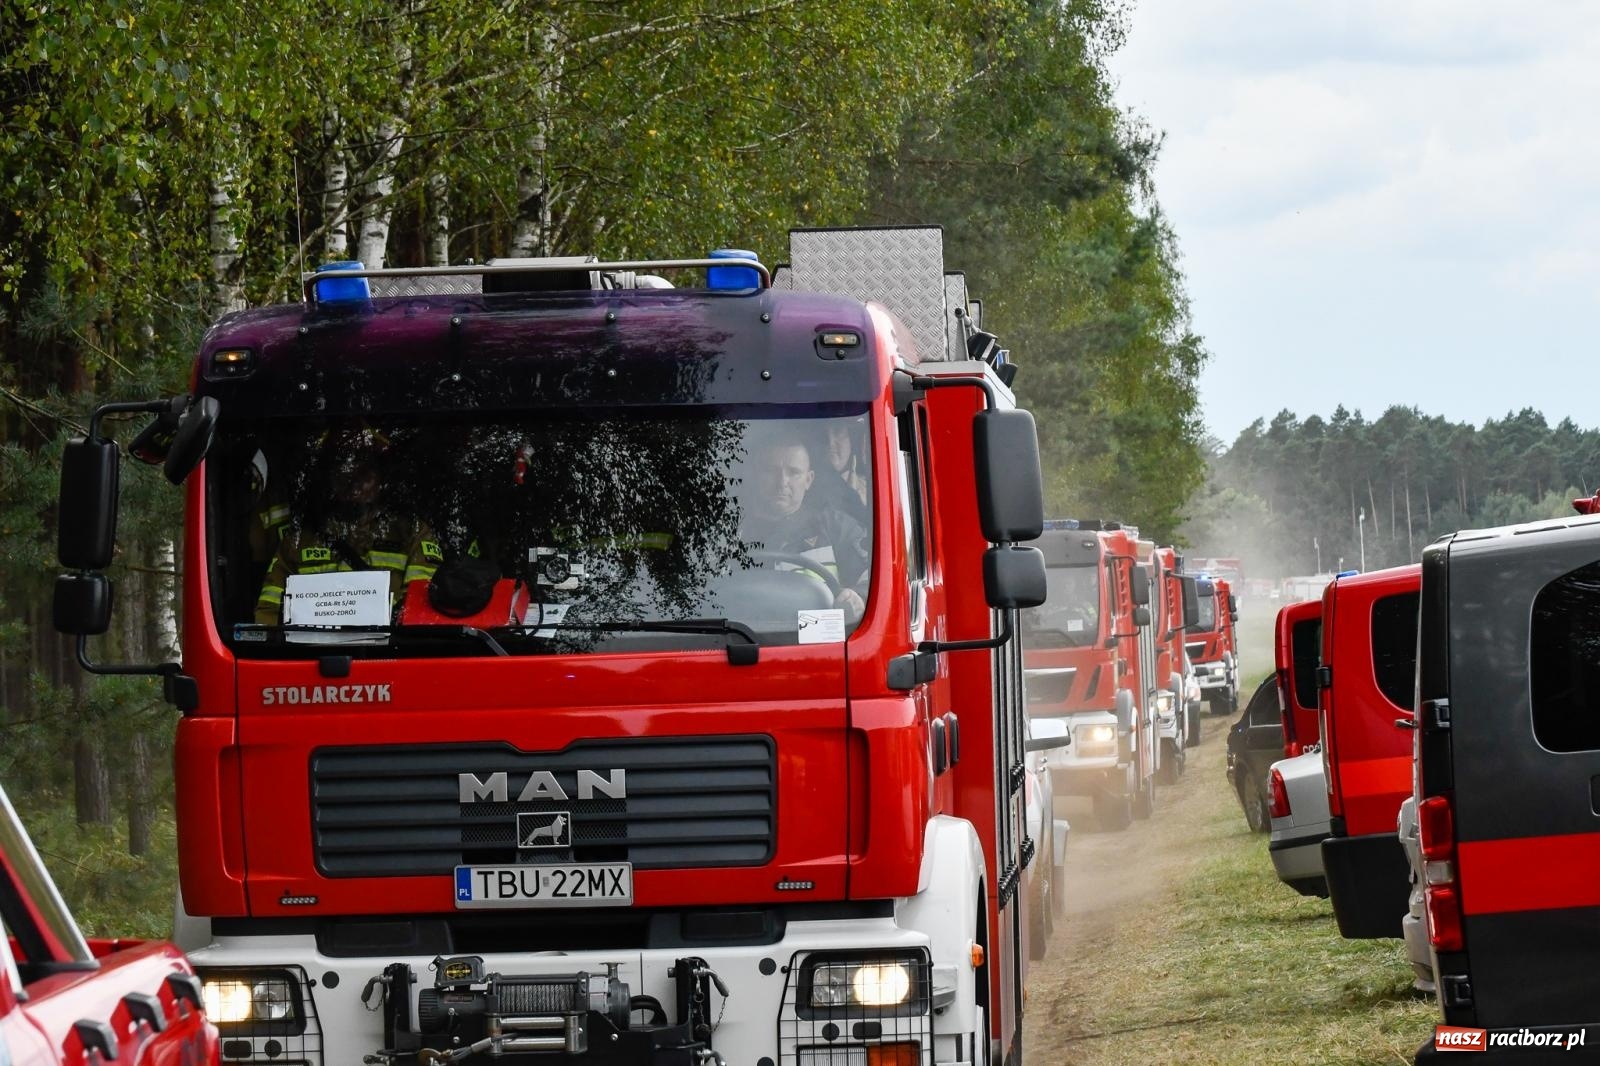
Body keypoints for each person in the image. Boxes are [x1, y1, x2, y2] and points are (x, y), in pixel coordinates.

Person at [254, 428, 442, 625]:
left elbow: (420, 614)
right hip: (311, 653)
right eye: (343, 470)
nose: (354, 483)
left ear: (381, 476)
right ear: (330, 478)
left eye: (364, 472)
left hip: (387, 653)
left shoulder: (412, 532)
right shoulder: (299, 539)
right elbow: (268, 614)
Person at [740, 432, 870, 615]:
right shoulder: (732, 532)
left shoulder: (835, 526)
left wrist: (858, 597)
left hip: (821, 640)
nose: (782, 482)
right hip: (743, 637)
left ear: (809, 480)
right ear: (756, 476)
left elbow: (876, 573)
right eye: (771, 470)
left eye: (794, 473)